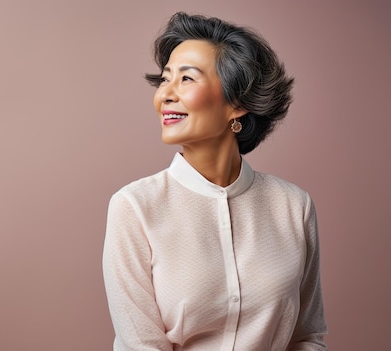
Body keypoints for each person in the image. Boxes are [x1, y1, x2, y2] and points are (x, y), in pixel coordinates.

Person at [102, 12, 327, 351]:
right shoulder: (134, 208)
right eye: (165, 80)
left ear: (236, 103)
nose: (165, 95)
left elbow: (308, 337)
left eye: (187, 79)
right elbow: (140, 346)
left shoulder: (294, 207)